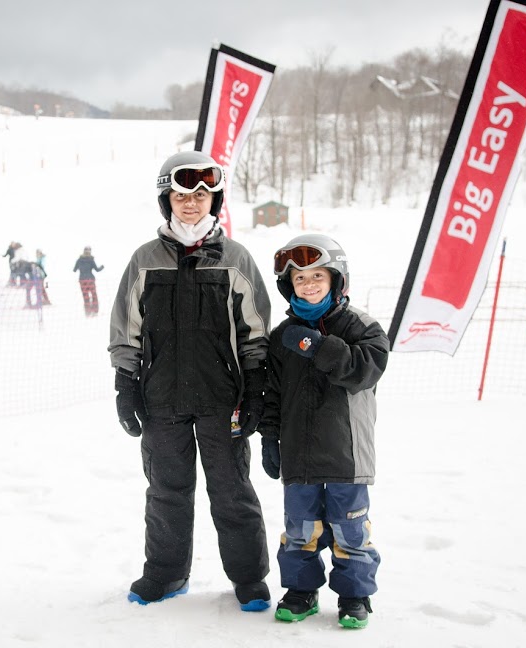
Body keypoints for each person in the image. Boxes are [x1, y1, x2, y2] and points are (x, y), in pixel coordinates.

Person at [108, 150, 272, 611]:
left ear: (214, 201)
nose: (191, 204)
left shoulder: (235, 258)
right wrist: (126, 382)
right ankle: (165, 573)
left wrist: (256, 385)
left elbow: (255, 330)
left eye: (201, 195)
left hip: (224, 401)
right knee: (166, 491)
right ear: (167, 201)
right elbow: (126, 328)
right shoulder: (144, 259)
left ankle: (248, 578)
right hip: (161, 400)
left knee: (232, 489)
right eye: (181, 195)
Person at [257, 233, 389, 629]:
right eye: (300, 279)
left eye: (317, 276)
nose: (309, 284)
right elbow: (272, 393)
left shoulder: (361, 326)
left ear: (336, 279)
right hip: (298, 454)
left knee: (351, 529)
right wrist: (268, 436)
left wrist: (319, 347)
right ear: (288, 286)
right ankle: (301, 591)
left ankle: (354, 596)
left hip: (346, 454)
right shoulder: (282, 336)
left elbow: (366, 369)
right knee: (300, 529)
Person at [72, 246, 104, 316]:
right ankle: (95, 311)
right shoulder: (91, 260)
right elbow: (97, 270)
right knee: (94, 295)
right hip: (90, 280)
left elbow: (74, 270)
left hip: (82, 280)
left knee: (85, 296)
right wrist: (102, 267)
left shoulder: (79, 260)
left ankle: (88, 312)